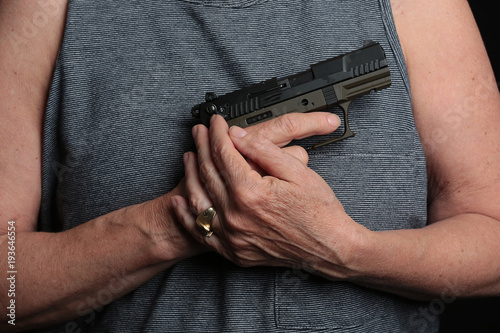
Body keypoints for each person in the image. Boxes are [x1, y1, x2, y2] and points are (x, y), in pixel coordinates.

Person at [1, 0, 499, 332]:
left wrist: (344, 250)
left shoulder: (418, 7)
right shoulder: (49, 9)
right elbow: (6, 287)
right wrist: (181, 223)